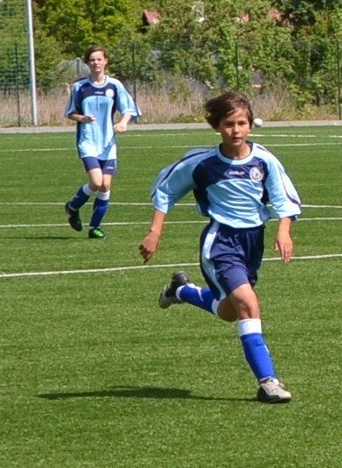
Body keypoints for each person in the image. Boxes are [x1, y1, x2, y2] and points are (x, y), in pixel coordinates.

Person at [138, 91, 302, 403]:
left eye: (242, 123)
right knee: (248, 305)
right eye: (229, 124)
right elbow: (165, 191)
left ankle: (182, 291)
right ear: (217, 126)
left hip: (253, 243)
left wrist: (284, 231)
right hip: (220, 243)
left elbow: (284, 199)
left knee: (230, 311)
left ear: (251, 125)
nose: (236, 130)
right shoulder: (202, 163)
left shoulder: (265, 160)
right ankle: (268, 382)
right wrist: (154, 232)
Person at [63, 45, 140, 239]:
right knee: (96, 182)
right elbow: (70, 113)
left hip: (108, 143)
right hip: (87, 141)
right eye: (92, 60)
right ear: (87, 63)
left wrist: (123, 122)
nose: (96, 63)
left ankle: (94, 228)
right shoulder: (80, 87)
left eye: (99, 59)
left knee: (105, 185)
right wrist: (83, 118)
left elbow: (130, 109)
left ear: (106, 61)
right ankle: (72, 207)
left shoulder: (114, 85)